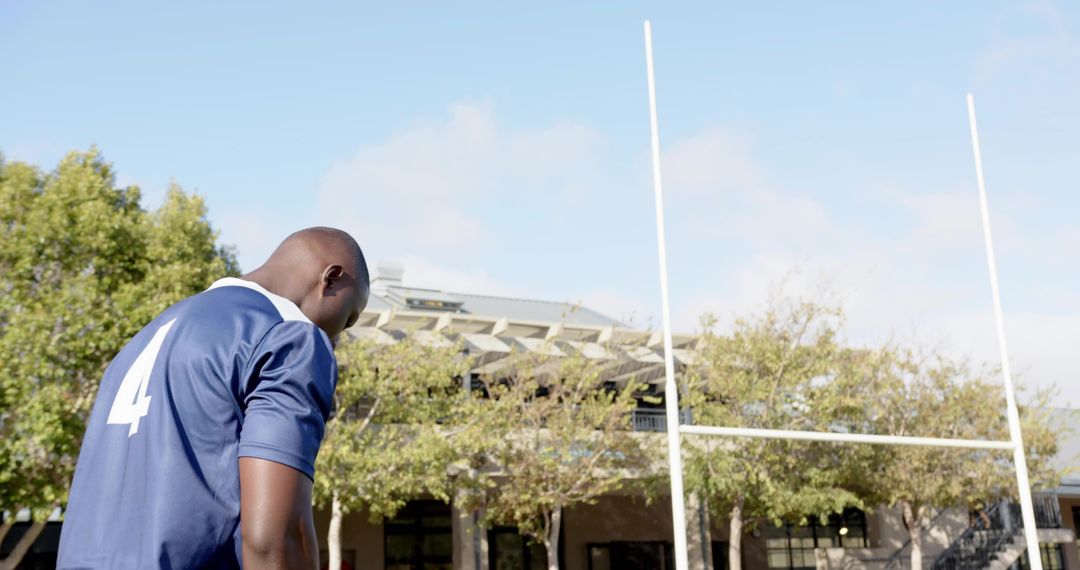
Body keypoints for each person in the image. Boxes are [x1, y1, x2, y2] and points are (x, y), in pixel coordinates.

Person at [58, 227, 369, 569]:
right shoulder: (289, 338)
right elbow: (275, 540)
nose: (337, 339)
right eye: (349, 317)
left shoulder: (139, 343)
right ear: (332, 278)